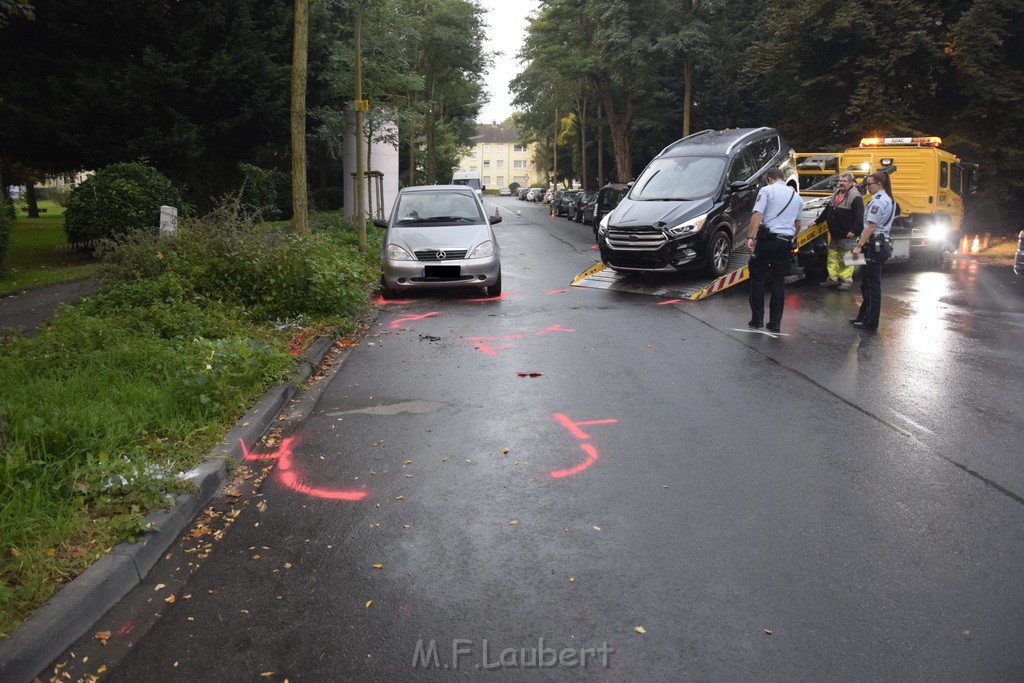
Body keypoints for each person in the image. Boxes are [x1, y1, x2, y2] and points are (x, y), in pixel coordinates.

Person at [746, 168, 802, 333]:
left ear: (769, 179)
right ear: (783, 178)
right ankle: (775, 323)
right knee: (778, 281)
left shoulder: (767, 190)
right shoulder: (796, 197)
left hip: (767, 240)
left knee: (757, 278)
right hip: (785, 242)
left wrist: (750, 237)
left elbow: (757, 215)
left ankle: (757, 320)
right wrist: (790, 236)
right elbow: (797, 224)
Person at [850, 172, 896, 330]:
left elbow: (871, 226)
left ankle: (870, 320)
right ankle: (863, 315)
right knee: (866, 283)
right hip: (877, 243)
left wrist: (859, 246)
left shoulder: (879, 201)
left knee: (871, 285)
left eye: (869, 184)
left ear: (879, 184)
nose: (867, 187)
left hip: (874, 245)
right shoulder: (887, 198)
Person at [813, 172, 863, 290]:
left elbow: (859, 217)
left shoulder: (855, 196)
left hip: (847, 235)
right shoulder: (836, 193)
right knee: (832, 257)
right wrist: (817, 221)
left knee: (847, 257)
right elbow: (827, 210)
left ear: (851, 183)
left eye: (844, 181)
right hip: (835, 233)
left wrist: (854, 230)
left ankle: (846, 281)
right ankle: (832, 279)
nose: (841, 183)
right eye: (840, 181)